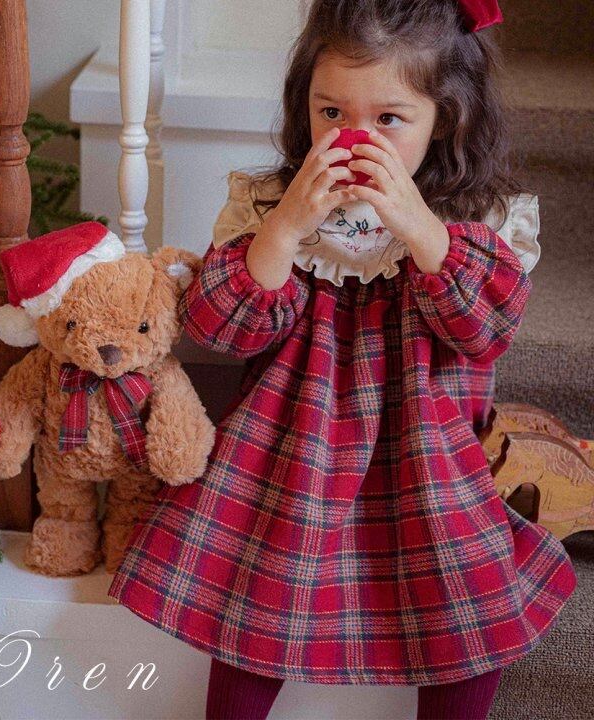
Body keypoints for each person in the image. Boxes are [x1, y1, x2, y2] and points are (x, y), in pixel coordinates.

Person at [107, 1, 577, 718]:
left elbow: (486, 328)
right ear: (306, 106)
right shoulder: (273, 205)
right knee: (259, 597)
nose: (355, 138)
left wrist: (417, 224)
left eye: (388, 119)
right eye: (332, 112)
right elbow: (222, 329)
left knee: (471, 593)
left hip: (427, 448)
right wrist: (286, 226)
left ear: (443, 119)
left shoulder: (474, 218)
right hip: (295, 443)